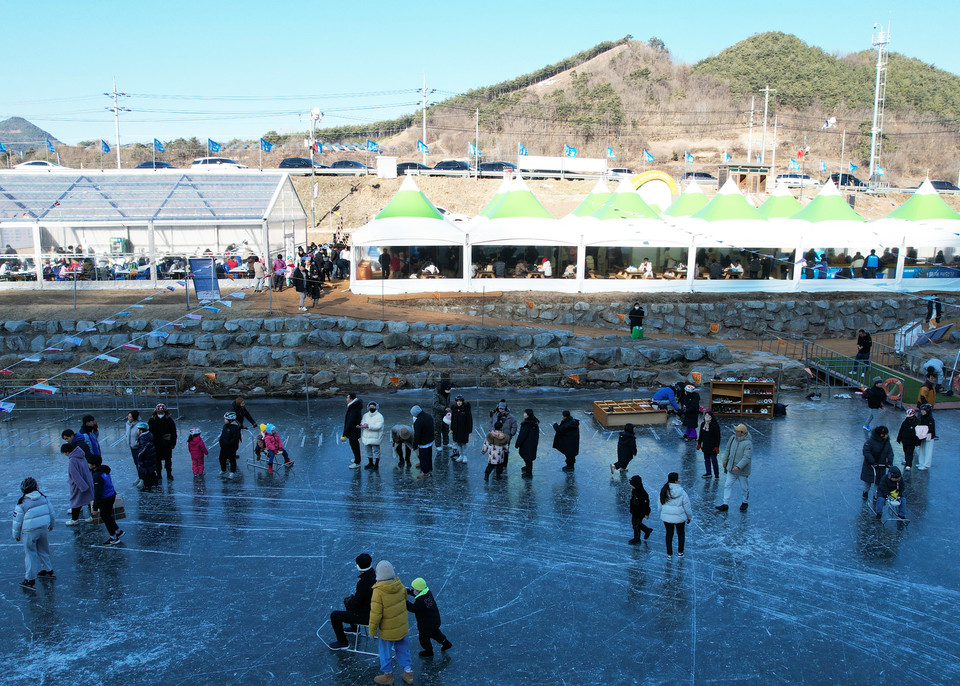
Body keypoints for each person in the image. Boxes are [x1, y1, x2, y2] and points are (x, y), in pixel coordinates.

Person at [369, 560, 414, 684]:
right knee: (403, 649)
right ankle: (408, 673)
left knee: (385, 652)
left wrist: (372, 631)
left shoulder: (378, 591)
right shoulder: (400, 586)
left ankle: (388, 675)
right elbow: (404, 599)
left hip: (388, 631)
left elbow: (375, 614)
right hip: (402, 627)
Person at [13, 477, 55, 590]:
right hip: (43, 528)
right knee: (43, 549)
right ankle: (48, 570)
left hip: (29, 531)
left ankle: (29, 579)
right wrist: (51, 525)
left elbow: (17, 522)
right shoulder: (44, 498)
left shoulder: (22, 503)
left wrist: (16, 535)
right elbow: (52, 513)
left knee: (30, 554)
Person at [329, 553, 377, 650]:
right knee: (349, 601)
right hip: (375, 610)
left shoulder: (363, 582)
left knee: (335, 615)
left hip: (367, 616)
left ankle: (343, 642)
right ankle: (355, 629)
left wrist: (351, 601)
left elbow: (357, 602)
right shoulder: (375, 575)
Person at [406, 577, 452, 657]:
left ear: (418, 589)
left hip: (426, 624)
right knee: (435, 633)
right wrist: (410, 592)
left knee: (423, 637)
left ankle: (428, 651)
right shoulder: (427, 593)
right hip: (434, 620)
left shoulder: (420, 601)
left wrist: (404, 601)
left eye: (414, 589)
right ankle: (446, 643)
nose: (413, 590)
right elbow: (419, 595)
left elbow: (413, 608)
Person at [88, 455, 123, 546]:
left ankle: (113, 537)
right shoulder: (104, 470)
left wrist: (95, 508)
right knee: (108, 515)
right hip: (111, 495)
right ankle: (118, 531)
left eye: (89, 463)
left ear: (94, 465)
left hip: (105, 498)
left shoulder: (97, 475)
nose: (87, 465)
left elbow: (98, 493)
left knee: (106, 517)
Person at [716, 424, 752, 512]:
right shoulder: (732, 439)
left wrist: (738, 466)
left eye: (737, 431)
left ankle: (745, 501)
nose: (735, 432)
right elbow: (727, 449)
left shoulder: (748, 443)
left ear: (742, 433)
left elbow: (747, 457)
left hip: (742, 471)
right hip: (731, 468)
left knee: (744, 487)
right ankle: (725, 503)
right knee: (727, 485)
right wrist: (724, 460)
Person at [659, 472, 692, 558]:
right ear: (676, 480)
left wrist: (662, 513)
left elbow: (660, 504)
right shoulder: (682, 492)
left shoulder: (664, 490)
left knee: (669, 534)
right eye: (679, 478)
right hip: (679, 518)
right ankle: (680, 552)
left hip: (667, 517)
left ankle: (669, 553)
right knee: (681, 534)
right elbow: (687, 506)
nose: (680, 480)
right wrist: (689, 517)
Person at [62, 442, 95, 526]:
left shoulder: (72, 460)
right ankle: (93, 516)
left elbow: (75, 475)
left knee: (76, 501)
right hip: (87, 481)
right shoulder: (81, 455)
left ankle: (74, 519)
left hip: (79, 485)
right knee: (89, 500)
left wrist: (82, 487)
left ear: (67, 452)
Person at [861, 426, 893, 500]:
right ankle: (865, 492)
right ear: (881, 435)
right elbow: (866, 452)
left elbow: (890, 453)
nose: (887, 435)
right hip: (870, 465)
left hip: (881, 465)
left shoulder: (887, 443)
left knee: (878, 482)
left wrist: (889, 462)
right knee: (868, 481)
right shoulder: (870, 442)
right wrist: (872, 461)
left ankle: (876, 494)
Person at [148, 402, 177, 482]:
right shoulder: (151, 421)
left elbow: (173, 432)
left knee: (168, 461)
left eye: (162, 412)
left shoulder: (169, 420)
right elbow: (149, 433)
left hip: (166, 444)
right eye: (159, 412)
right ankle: (159, 474)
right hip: (156, 445)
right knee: (157, 461)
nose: (161, 413)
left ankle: (169, 474)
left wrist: (173, 443)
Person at [488, 401, 518, 466]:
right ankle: (496, 463)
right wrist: (491, 430)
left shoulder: (511, 417)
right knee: (496, 450)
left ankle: (504, 464)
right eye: (500, 408)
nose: (501, 410)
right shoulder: (495, 415)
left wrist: (511, 434)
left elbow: (514, 426)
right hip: (495, 436)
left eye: (502, 409)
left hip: (506, 437)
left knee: (506, 451)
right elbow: (491, 423)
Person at [628, 475, 653, 544]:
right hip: (635, 511)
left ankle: (637, 538)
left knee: (636, 525)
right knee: (636, 524)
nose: (631, 486)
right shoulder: (634, 491)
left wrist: (647, 513)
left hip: (640, 512)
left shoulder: (642, 494)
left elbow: (646, 504)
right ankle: (647, 530)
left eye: (632, 485)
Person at [360, 402, 385, 471]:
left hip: (375, 437)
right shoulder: (365, 415)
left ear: (376, 407)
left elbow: (379, 426)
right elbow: (362, 422)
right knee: (368, 450)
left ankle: (376, 464)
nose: (371, 408)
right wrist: (362, 425)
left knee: (376, 451)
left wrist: (368, 426)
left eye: (373, 406)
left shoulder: (379, 416)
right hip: (366, 437)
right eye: (370, 406)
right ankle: (370, 463)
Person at [515, 408, 540, 477]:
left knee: (527, 458)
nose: (524, 414)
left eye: (525, 413)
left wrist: (518, 444)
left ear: (528, 415)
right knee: (528, 457)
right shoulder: (534, 423)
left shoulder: (526, 424)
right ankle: (527, 467)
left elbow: (522, 435)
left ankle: (529, 472)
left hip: (527, 444)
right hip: (532, 443)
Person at [134, 422, 158, 491]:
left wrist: (139, 457)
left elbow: (142, 451)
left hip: (146, 459)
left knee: (146, 473)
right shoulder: (149, 435)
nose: (137, 431)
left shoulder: (143, 438)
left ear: (141, 431)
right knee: (151, 471)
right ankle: (154, 483)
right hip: (150, 458)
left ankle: (147, 486)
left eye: (138, 429)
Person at [697, 410, 722, 478]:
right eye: (706, 416)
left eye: (708, 416)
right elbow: (701, 435)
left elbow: (718, 437)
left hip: (713, 446)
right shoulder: (703, 424)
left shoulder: (715, 425)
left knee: (714, 460)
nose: (707, 417)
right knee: (707, 460)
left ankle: (716, 474)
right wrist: (699, 443)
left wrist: (717, 446)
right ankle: (708, 472)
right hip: (705, 445)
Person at [411, 405, 435, 478]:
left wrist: (414, 445)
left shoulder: (418, 421)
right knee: (429, 456)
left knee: (423, 458)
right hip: (430, 441)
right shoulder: (429, 416)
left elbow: (417, 435)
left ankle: (425, 472)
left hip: (423, 443)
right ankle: (430, 469)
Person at [449, 395, 473, 463]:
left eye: (460, 401)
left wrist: (469, 429)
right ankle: (461, 455)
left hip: (464, 429)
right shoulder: (454, 409)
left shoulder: (466, 409)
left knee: (464, 443)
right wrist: (452, 428)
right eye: (458, 401)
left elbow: (469, 419)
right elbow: (452, 419)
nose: (459, 403)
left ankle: (465, 456)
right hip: (456, 429)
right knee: (458, 443)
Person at [218, 411, 242, 479]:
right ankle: (223, 470)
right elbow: (223, 435)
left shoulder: (235, 428)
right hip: (223, 447)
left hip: (231, 447)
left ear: (231, 420)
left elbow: (235, 438)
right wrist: (221, 441)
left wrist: (228, 443)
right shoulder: (225, 426)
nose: (224, 420)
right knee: (221, 458)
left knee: (232, 459)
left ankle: (232, 472)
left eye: (225, 419)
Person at [343, 393, 364, 470]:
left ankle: (357, 461)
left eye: (347, 398)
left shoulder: (353, 408)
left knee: (354, 445)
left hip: (353, 430)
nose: (346, 399)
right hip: (354, 430)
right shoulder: (354, 406)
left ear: (351, 399)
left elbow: (350, 422)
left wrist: (345, 432)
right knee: (354, 444)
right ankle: (357, 458)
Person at [432, 377, 452, 450]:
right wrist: (443, 408)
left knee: (446, 428)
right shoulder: (436, 392)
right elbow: (435, 404)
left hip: (446, 413)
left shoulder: (448, 392)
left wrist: (448, 408)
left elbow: (448, 401)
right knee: (438, 429)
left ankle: (446, 443)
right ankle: (438, 445)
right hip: (437, 413)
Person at [915, 403, 936, 470]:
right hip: (923, 436)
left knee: (928, 450)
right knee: (922, 449)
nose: (922, 411)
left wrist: (922, 430)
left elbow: (931, 429)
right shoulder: (922, 418)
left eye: (923, 410)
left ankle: (926, 464)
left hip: (929, 437)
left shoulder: (930, 419)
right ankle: (921, 462)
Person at [125, 410, 141, 474]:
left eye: (130, 417)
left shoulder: (139, 425)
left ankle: (142, 478)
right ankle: (139, 476)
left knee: (140, 463)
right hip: (132, 446)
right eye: (128, 416)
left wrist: (137, 443)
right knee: (136, 463)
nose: (128, 418)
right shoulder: (128, 424)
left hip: (138, 447)